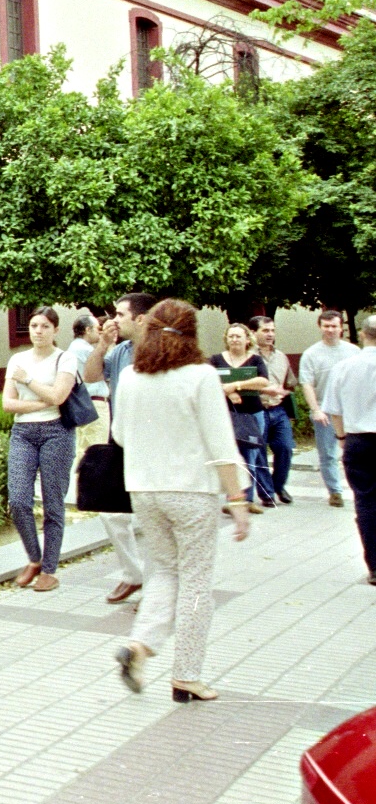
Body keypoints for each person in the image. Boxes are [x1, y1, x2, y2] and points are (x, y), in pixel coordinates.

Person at [112, 299, 253, 703]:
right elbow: (221, 444)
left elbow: (119, 435)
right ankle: (187, 675)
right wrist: (237, 498)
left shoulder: (131, 377)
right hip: (192, 491)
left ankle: (139, 646)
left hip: (144, 491)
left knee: (163, 572)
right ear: (192, 334)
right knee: (196, 583)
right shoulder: (202, 376)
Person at [82, 292, 158, 603]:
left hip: (155, 443)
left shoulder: (164, 351)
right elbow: (90, 376)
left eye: (119, 314)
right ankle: (133, 574)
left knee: (153, 517)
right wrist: (102, 345)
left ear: (140, 319)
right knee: (111, 513)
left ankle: (154, 588)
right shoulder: (121, 351)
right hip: (121, 440)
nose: (113, 320)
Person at [3, 307, 77, 593]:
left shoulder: (64, 358)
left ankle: (49, 570)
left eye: (45, 326)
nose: (38, 331)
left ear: (55, 330)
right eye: (34, 325)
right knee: (19, 500)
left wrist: (28, 381)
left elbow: (59, 396)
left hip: (56, 432)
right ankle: (34, 559)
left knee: (53, 504)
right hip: (22, 433)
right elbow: (8, 404)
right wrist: (41, 402)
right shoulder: (17, 360)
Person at [322, 312, 376, 584]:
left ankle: (375, 566)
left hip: (358, 440)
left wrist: (342, 438)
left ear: (363, 335)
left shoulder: (343, 367)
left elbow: (334, 410)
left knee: (365, 501)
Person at [211, 322, 275, 511]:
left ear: (248, 339)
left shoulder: (255, 360)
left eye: (238, 336)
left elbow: (263, 381)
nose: (234, 339)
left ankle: (247, 500)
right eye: (231, 336)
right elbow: (209, 381)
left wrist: (237, 385)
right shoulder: (216, 359)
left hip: (252, 414)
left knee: (250, 456)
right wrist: (229, 392)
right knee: (229, 457)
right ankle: (233, 500)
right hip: (226, 414)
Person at [302, 310, 357, 508]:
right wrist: (316, 410)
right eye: (326, 326)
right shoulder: (310, 354)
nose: (330, 330)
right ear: (320, 327)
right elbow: (307, 384)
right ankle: (335, 492)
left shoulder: (353, 352)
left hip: (351, 411)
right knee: (328, 454)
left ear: (341, 328)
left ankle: (358, 488)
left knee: (355, 452)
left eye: (334, 326)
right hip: (325, 411)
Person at [250, 316, 296, 504]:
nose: (270, 334)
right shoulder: (247, 357)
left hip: (278, 410)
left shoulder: (281, 357)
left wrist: (285, 391)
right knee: (259, 454)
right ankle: (267, 494)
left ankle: (278, 485)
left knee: (285, 447)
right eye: (265, 330)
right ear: (253, 332)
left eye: (272, 331)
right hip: (256, 410)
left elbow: (290, 382)